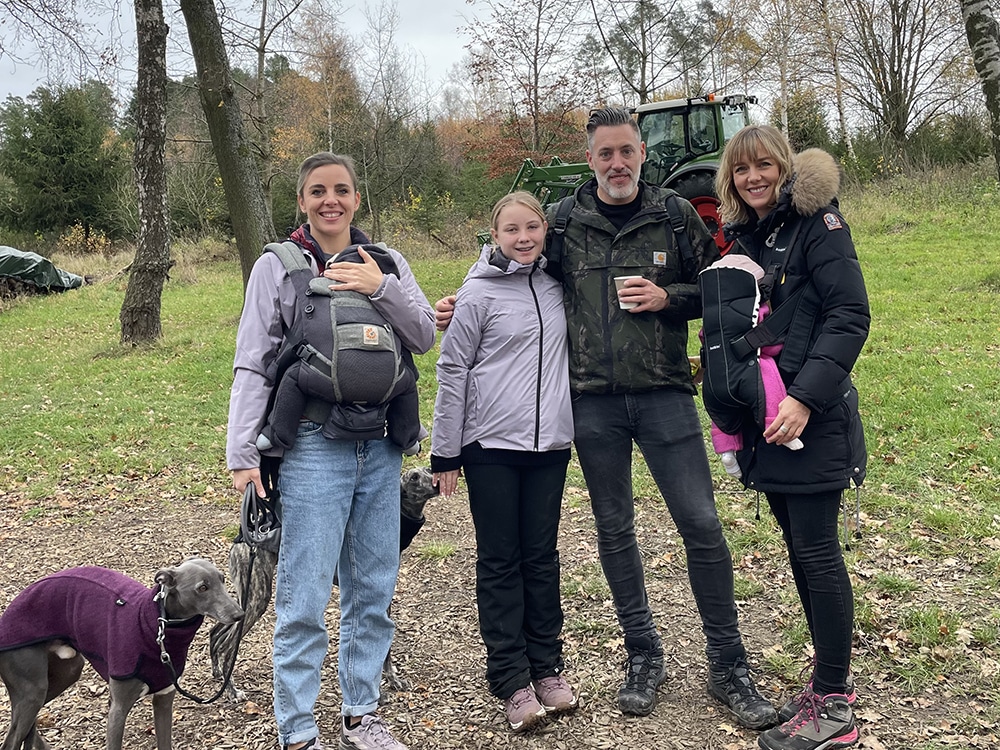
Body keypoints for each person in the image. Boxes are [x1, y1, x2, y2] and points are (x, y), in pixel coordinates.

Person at [436, 108, 777, 729]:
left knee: (701, 525)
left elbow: (720, 290)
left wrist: (668, 297)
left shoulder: (676, 214)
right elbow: (515, 264)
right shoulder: (564, 220)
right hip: (591, 402)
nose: (616, 164)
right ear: (590, 159)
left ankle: (729, 663)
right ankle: (642, 655)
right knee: (615, 530)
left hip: (665, 394)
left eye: (626, 151)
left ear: (641, 152)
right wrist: (461, 301)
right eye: (604, 154)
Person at [226, 152, 434, 750]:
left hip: (382, 447)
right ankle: (297, 731)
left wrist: (380, 288)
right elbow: (254, 359)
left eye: (341, 189)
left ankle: (360, 714)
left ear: (356, 198)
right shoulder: (277, 265)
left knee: (372, 589)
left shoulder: (387, 261)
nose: (330, 201)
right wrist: (243, 451)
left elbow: (423, 333)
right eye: (317, 191)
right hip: (312, 447)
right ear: (302, 200)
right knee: (304, 595)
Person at [711, 125, 869, 750]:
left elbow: (848, 315)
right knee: (802, 554)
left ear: (784, 168)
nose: (753, 177)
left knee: (818, 554)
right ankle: (826, 686)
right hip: (769, 424)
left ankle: (835, 707)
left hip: (812, 418)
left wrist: (805, 398)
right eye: (741, 169)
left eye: (764, 166)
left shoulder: (819, 226)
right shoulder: (748, 236)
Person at [430, 192, 577, 733]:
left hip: (550, 447)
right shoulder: (475, 294)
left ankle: (547, 667)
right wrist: (445, 450)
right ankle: (511, 678)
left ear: (545, 230)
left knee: (541, 558)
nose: (523, 237)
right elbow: (453, 370)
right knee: (500, 559)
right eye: (511, 229)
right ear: (494, 235)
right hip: (489, 446)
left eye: (532, 227)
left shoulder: (558, 285)